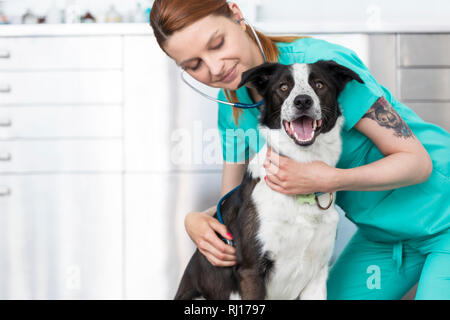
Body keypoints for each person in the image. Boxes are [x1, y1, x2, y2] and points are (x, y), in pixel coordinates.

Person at [150, 0, 450, 299]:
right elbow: (238, 205)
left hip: (444, 215)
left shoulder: (321, 68)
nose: (215, 68)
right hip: (383, 235)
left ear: (236, 14)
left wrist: (327, 179)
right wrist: (197, 220)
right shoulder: (233, 108)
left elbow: (417, 163)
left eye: (217, 43)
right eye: (194, 65)